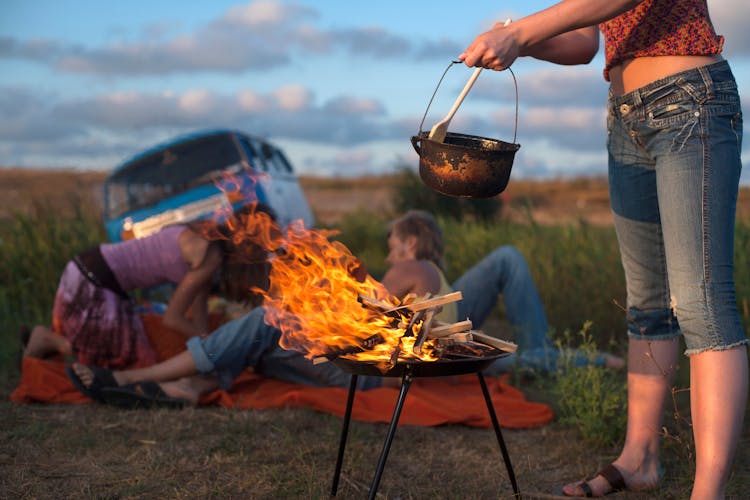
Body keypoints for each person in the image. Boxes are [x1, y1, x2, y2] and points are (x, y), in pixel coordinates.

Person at [459, 1, 747, 498]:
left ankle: (709, 492)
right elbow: (586, 41)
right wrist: (518, 44)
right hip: (626, 118)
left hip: (689, 102)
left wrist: (524, 31)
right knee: (648, 305)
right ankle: (639, 459)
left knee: (701, 302)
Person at [67, 210, 622, 406]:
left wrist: (323, 289)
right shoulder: (435, 283)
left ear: (407, 245)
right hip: (390, 364)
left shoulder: (414, 273)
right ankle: (195, 380)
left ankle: (149, 378)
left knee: (267, 322)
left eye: (391, 246)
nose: (386, 257)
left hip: (371, 377)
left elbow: (364, 313)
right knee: (268, 330)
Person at [23, 203, 274, 370]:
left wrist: (208, 339)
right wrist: (216, 345)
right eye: (262, 246)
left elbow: (198, 323)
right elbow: (173, 318)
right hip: (94, 280)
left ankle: (52, 341)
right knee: (121, 356)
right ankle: (51, 341)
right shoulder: (210, 256)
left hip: (90, 267)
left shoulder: (207, 241)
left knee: (123, 350)